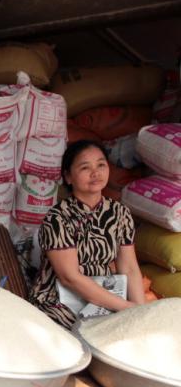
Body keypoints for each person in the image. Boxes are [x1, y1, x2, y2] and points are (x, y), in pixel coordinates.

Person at [30, 139, 145, 329]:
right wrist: (125, 307)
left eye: (101, 165)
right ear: (68, 176)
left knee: (133, 331)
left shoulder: (119, 213)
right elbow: (69, 277)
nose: (95, 173)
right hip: (59, 301)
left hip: (105, 299)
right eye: (85, 167)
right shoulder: (58, 218)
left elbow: (130, 268)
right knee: (95, 335)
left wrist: (139, 311)